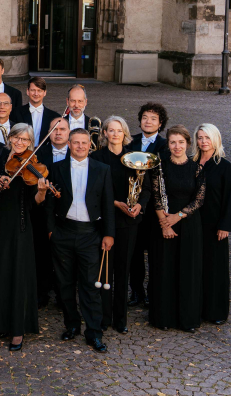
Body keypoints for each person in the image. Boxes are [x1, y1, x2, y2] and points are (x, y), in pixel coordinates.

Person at [45, 128, 116, 353]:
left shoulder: (102, 169)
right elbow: (49, 204)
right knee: (64, 284)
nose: (80, 146)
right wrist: (51, 232)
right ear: (68, 144)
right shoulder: (56, 169)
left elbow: (108, 204)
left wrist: (108, 234)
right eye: (75, 143)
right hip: (63, 232)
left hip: (90, 233)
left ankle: (94, 333)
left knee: (90, 285)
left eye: (84, 143)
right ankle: (72, 325)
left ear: (90, 145)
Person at [0, 123, 46, 352]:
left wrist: (41, 191)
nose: (19, 143)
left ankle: (18, 330)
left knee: (18, 276)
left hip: (20, 226)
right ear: (9, 138)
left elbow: (34, 203)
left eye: (25, 140)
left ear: (30, 142)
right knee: (0, 272)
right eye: (16, 138)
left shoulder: (33, 163)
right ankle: (0, 322)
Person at [90, 116, 145, 334]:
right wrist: (114, 203)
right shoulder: (96, 157)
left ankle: (120, 319)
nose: (114, 134)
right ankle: (104, 318)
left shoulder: (134, 157)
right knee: (104, 272)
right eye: (110, 130)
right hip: (104, 221)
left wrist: (139, 205)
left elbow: (146, 188)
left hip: (129, 221)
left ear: (125, 133)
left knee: (123, 271)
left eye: (119, 130)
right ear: (104, 133)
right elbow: (92, 190)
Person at [149, 125, 205, 332]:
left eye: (181, 142)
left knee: (188, 270)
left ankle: (187, 319)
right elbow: (156, 197)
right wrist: (165, 224)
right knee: (164, 268)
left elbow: (199, 200)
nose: (177, 146)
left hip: (188, 224)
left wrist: (177, 217)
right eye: (172, 142)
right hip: (163, 222)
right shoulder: (159, 166)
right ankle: (163, 317)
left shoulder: (197, 168)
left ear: (188, 144)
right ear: (168, 144)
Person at [126, 102, 169, 307]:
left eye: (153, 118)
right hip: (131, 206)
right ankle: (136, 291)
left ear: (160, 123)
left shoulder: (165, 145)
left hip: (153, 209)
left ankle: (153, 292)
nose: (148, 121)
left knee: (154, 253)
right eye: (145, 117)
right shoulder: (130, 141)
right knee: (134, 253)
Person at [193, 123, 231, 325]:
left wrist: (225, 226)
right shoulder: (191, 162)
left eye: (207, 138)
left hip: (215, 224)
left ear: (215, 139)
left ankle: (216, 311)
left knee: (215, 268)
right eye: (200, 137)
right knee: (195, 266)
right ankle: (196, 307)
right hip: (192, 222)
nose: (203, 142)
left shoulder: (224, 166)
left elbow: (229, 198)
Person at [32, 117, 70, 308]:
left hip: (69, 213)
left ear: (69, 132)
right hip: (43, 211)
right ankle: (42, 291)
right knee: (43, 254)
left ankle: (65, 295)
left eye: (62, 129)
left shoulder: (78, 153)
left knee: (66, 258)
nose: (58, 132)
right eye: (54, 129)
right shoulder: (38, 154)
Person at [16, 77, 61, 147]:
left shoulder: (54, 117)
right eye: (33, 90)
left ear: (45, 93)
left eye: (39, 90)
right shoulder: (16, 113)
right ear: (27, 91)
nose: (36, 94)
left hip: (44, 155)